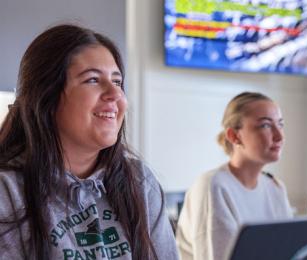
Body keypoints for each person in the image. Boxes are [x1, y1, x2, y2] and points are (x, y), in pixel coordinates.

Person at [0, 24, 179, 259]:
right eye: (93, 80)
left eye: (117, 82)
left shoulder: (139, 181)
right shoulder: (7, 190)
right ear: (46, 97)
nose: (115, 95)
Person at [176, 92, 293, 260]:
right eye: (265, 126)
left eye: (280, 124)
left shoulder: (276, 187)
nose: (279, 136)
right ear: (234, 136)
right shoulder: (213, 186)